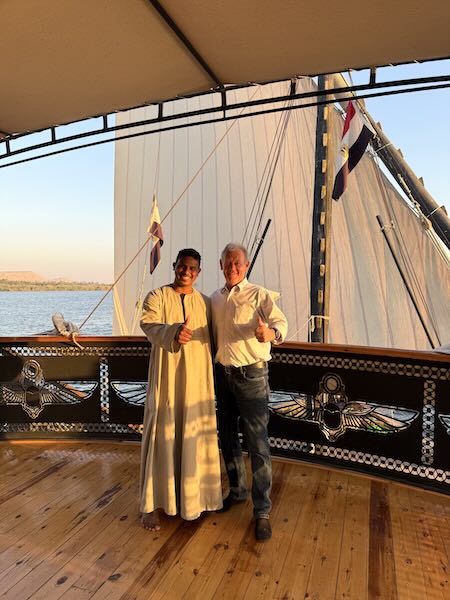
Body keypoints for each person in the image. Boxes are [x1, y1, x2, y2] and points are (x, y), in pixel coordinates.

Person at [140, 248, 223, 531]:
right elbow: (149, 324)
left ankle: (196, 500)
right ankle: (150, 505)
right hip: (166, 379)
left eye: (192, 268)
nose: (186, 272)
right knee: (160, 436)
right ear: (174, 266)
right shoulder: (157, 296)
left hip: (197, 381)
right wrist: (174, 331)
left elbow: (221, 332)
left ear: (198, 273)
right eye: (182, 266)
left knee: (195, 437)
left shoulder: (206, 303)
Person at [210, 242, 288, 541]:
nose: (232, 268)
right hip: (223, 375)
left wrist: (270, 333)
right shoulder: (215, 299)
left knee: (258, 444)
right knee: (227, 437)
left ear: (246, 265)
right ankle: (237, 491)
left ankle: (262, 511)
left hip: (252, 376)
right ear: (221, 265)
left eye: (237, 263)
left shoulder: (259, 294)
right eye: (228, 263)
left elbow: (280, 323)